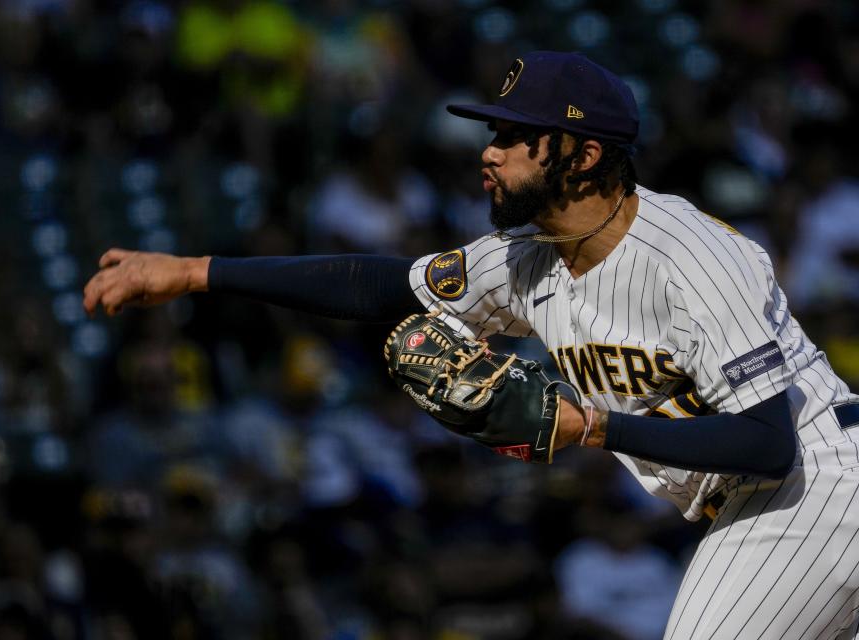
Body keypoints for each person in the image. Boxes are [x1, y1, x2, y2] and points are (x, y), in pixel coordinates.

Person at [83, 51, 859, 639]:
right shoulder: (526, 259)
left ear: (584, 155)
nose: (490, 151)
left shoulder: (691, 255)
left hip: (813, 489)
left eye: (516, 136)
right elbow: (379, 285)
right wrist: (192, 272)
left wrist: (594, 427)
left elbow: (767, 445)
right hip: (780, 498)